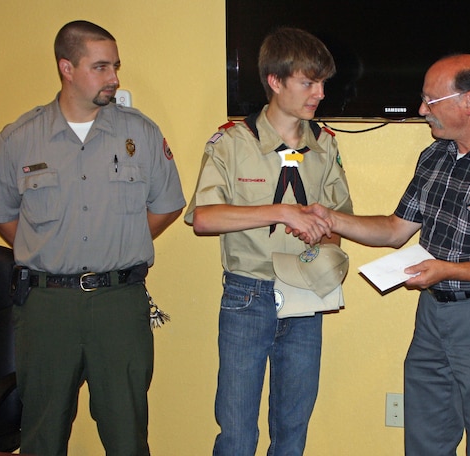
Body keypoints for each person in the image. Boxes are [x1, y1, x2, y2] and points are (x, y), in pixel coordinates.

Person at [304, 54, 470, 456]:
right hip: (432, 321)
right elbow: (394, 229)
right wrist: (330, 218)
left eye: (430, 101)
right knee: (424, 444)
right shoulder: (434, 156)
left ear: (469, 102)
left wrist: (448, 270)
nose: (421, 111)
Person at [0, 20, 186, 456]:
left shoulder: (140, 134)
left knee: (127, 434)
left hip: (119, 303)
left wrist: (119, 243)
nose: (114, 78)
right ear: (66, 68)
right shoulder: (19, 139)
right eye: (101, 67)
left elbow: (167, 204)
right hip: (47, 307)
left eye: (116, 66)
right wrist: (51, 249)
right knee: (42, 434)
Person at [184, 27, 352, 456]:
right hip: (248, 293)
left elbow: (342, 221)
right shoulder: (231, 143)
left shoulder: (325, 146)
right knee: (237, 432)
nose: (319, 94)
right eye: (308, 82)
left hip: (305, 292)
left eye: (322, 84)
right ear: (275, 82)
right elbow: (202, 218)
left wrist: (321, 228)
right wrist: (281, 212)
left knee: (292, 428)